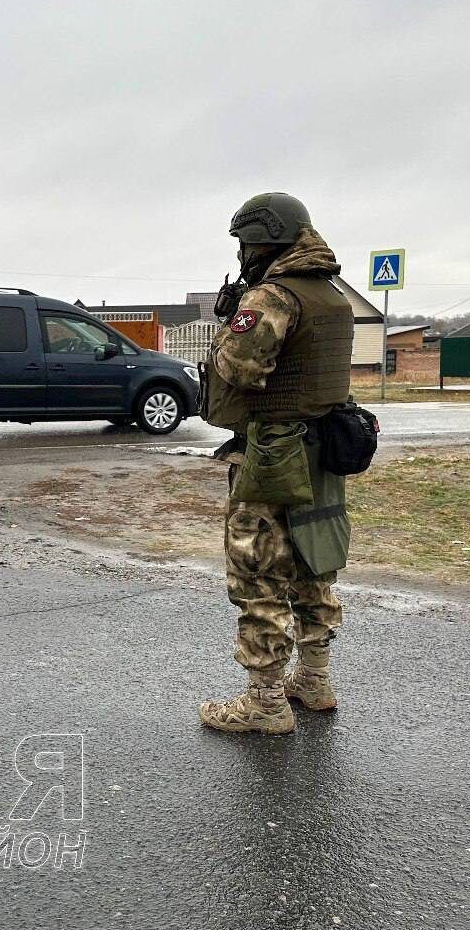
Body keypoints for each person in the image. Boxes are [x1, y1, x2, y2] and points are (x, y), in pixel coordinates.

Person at [197, 193, 354, 735]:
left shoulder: (274, 297)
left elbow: (240, 369)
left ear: (266, 239)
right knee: (314, 566)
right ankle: (314, 679)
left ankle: (264, 703)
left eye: (245, 242)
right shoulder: (330, 295)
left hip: (273, 455)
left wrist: (231, 324)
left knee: (260, 571)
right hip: (322, 452)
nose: (242, 252)